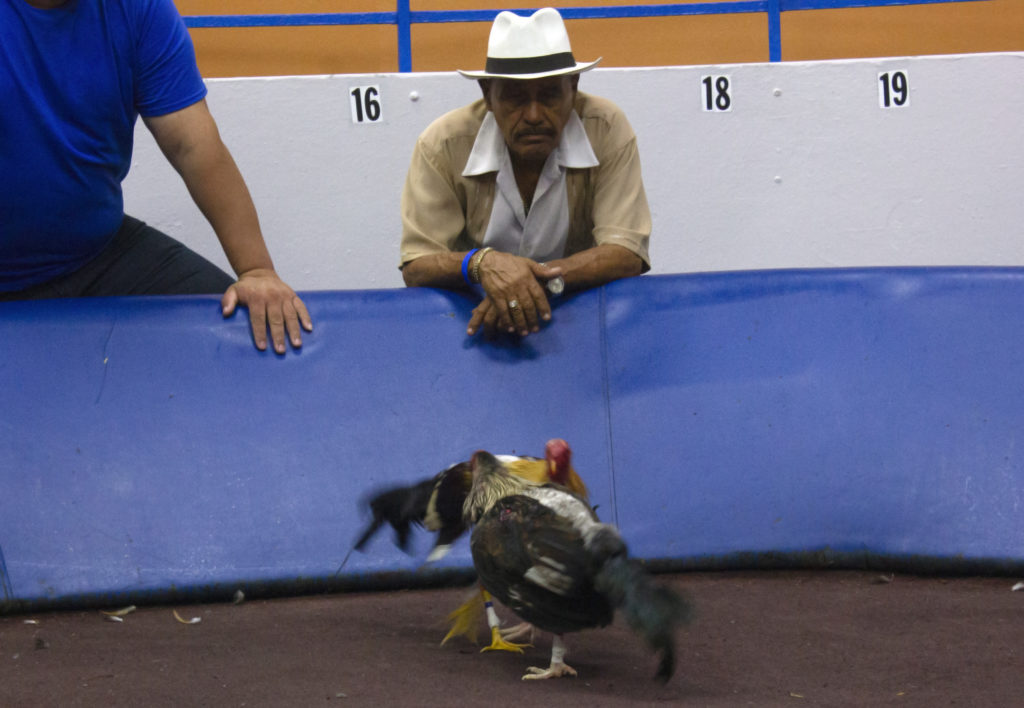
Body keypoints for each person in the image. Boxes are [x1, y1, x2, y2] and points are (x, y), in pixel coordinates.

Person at [0, 0, 312, 354]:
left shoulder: (138, 9)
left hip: (99, 255)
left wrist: (257, 271)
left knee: (248, 340)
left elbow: (191, 145)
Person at [399, 7, 651, 338]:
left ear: (572, 88)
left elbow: (627, 253)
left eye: (549, 96)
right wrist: (483, 264)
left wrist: (526, 283)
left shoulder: (606, 128)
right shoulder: (443, 144)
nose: (533, 115)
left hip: (579, 321)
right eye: (516, 99)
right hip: (473, 324)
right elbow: (417, 265)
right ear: (488, 95)